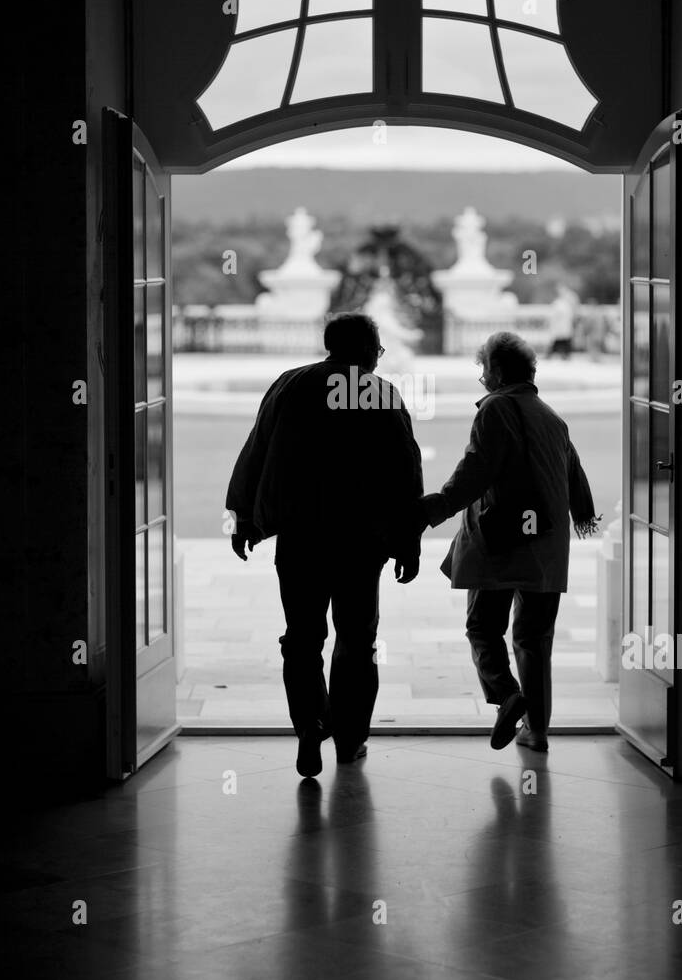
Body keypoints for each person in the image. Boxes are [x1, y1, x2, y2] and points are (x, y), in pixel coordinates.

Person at [225, 312, 423, 777]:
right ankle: (350, 739)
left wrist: (243, 518)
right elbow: (404, 473)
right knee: (357, 640)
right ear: (371, 350)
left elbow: (257, 452)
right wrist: (408, 539)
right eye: (379, 348)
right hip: (361, 539)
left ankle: (310, 726)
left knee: (301, 638)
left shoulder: (290, 384)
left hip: (300, 536)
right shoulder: (379, 394)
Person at [414, 332, 599, 752]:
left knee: (482, 627)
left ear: (495, 372)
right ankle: (536, 730)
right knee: (534, 640)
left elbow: (474, 472)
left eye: (483, 370)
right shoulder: (551, 415)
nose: (482, 378)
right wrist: (583, 519)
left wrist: (433, 510)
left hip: (500, 539)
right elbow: (576, 479)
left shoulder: (495, 409)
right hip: (547, 545)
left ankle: (507, 694)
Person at [546, 284, 579, 359]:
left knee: (564, 341)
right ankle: (556, 354)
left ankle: (565, 354)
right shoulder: (558, 303)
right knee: (558, 341)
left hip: (564, 326)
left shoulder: (568, 301)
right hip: (560, 327)